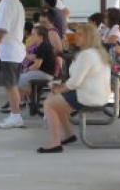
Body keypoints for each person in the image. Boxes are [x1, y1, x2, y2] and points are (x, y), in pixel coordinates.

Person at [39, 23, 111, 153]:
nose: (75, 37)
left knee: (49, 104)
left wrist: (60, 89)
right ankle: (68, 135)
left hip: (89, 95)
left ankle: (55, 143)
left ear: (89, 37)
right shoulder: (94, 53)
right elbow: (75, 80)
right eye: (75, 33)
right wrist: (59, 88)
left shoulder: (87, 55)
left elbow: (75, 82)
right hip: (94, 93)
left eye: (79, 35)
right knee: (54, 98)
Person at [0, 0, 26, 129]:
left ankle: (16, 115)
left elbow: (2, 27)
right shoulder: (15, 2)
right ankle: (14, 114)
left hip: (7, 50)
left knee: (10, 85)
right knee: (11, 84)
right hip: (12, 50)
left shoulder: (7, 3)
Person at [17, 25, 56, 104]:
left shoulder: (43, 46)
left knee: (20, 78)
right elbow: (32, 58)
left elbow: (36, 65)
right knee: (22, 76)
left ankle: (24, 100)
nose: (31, 36)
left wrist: (27, 69)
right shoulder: (43, 45)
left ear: (40, 37)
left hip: (46, 74)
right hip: (46, 73)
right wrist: (27, 49)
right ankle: (30, 98)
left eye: (33, 34)